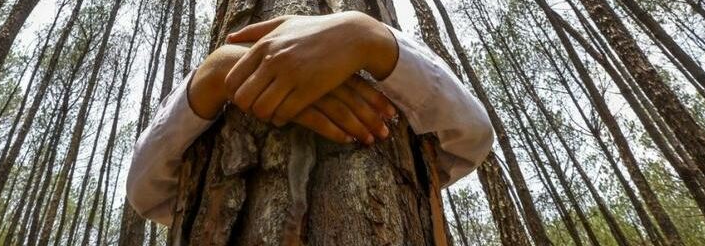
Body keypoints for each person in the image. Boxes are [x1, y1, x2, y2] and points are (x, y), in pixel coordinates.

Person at [126, 11, 494, 226]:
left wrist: (367, 36)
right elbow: (146, 192)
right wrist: (213, 75)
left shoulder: (393, 54)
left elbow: (471, 135)